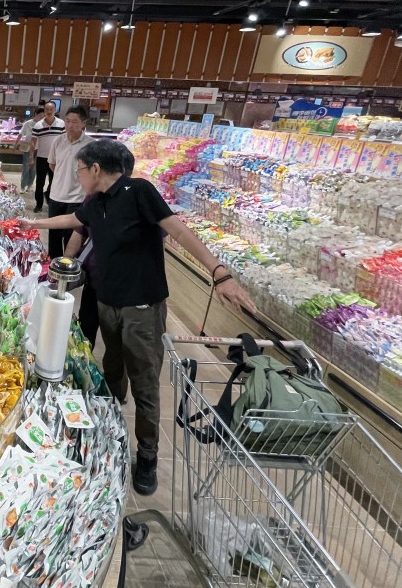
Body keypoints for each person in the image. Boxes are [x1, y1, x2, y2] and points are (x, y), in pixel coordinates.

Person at [20, 139, 256, 496]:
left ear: (95, 169)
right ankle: (111, 433)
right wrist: (29, 222)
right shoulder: (94, 201)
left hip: (142, 307)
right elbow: (73, 220)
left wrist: (218, 272)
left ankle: (147, 455)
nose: (77, 176)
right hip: (107, 303)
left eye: (80, 170)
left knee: (145, 382)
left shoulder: (138, 190)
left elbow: (178, 230)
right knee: (111, 369)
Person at [63, 145, 137, 349]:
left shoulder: (139, 198)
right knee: (86, 334)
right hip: (95, 282)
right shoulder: (94, 197)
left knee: (121, 350)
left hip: (127, 292)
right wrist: (66, 266)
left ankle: (113, 378)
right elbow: (78, 231)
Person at [46, 105, 95, 258]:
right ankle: (53, 270)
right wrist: (63, 177)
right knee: (53, 238)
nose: (70, 125)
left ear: (83, 123)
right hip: (56, 196)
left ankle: (69, 271)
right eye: (67, 121)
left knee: (71, 239)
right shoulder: (58, 141)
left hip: (77, 198)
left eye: (75, 121)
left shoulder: (90, 145)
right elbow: (52, 164)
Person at [29, 101, 64, 213]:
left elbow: (65, 141)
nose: (49, 112)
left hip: (56, 159)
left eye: (51, 109)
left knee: (54, 182)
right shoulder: (38, 125)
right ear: (44, 111)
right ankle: (39, 204)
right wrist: (31, 158)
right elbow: (33, 142)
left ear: (55, 110)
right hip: (42, 158)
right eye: (47, 110)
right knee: (40, 183)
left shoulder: (62, 124)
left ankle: (50, 201)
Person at [17, 107, 43, 193]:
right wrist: (15, 144)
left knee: (34, 168)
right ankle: (23, 186)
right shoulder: (28, 123)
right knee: (26, 167)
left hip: (38, 149)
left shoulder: (43, 124)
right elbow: (20, 134)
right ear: (36, 114)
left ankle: (30, 185)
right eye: (40, 116)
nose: (42, 118)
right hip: (28, 148)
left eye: (43, 116)